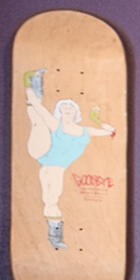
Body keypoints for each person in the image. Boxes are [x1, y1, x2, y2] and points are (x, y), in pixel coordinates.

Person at [24, 68, 116, 252]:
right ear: (59, 111)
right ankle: (36, 82)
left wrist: (97, 120)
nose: (66, 109)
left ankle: (55, 236)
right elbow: (37, 107)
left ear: (76, 112)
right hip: (46, 163)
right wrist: (29, 83)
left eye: (70, 107)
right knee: (48, 200)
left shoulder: (84, 131)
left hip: (58, 168)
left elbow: (110, 132)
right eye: (63, 107)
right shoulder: (55, 124)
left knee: (51, 199)